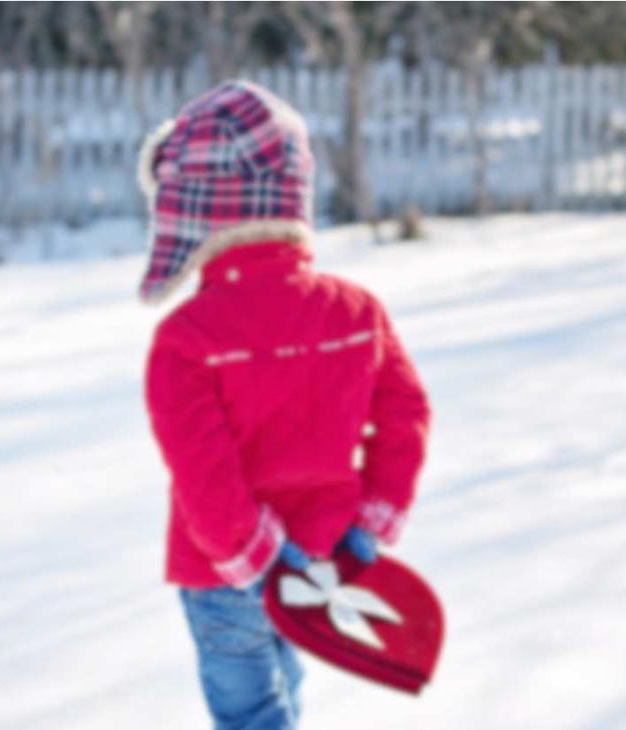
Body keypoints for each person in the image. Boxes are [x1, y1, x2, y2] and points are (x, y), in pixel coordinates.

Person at [139, 80, 431, 729]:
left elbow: (201, 469)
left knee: (250, 712)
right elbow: (405, 419)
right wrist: (366, 527)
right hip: (320, 558)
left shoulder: (186, 339)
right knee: (281, 690)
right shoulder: (356, 311)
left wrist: (255, 554)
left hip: (222, 572)